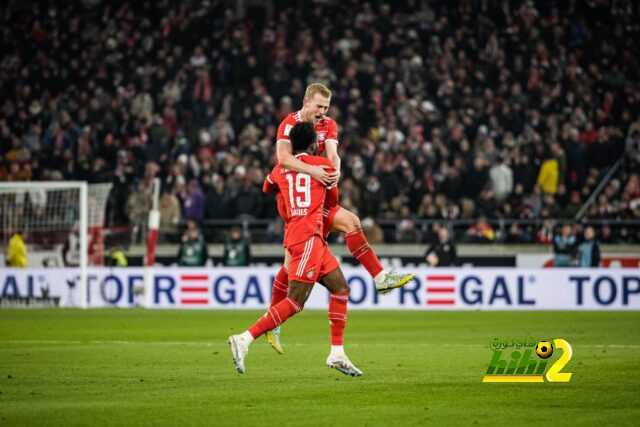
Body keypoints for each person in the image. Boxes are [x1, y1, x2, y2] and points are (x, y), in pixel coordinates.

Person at [265, 83, 414, 352]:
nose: (323, 112)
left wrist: (335, 171)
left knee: (352, 222)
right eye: (319, 106)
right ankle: (272, 322)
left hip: (318, 194)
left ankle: (380, 278)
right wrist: (314, 172)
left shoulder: (329, 125)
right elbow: (283, 159)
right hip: (298, 202)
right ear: (306, 102)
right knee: (289, 268)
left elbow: (333, 154)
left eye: (326, 107)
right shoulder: (288, 124)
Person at [228, 122, 362, 376]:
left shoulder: (281, 168)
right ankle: (244, 338)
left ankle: (337, 353)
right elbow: (332, 203)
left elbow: (267, 186)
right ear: (314, 144)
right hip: (307, 237)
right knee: (295, 301)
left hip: (304, 236)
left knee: (340, 288)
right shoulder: (322, 165)